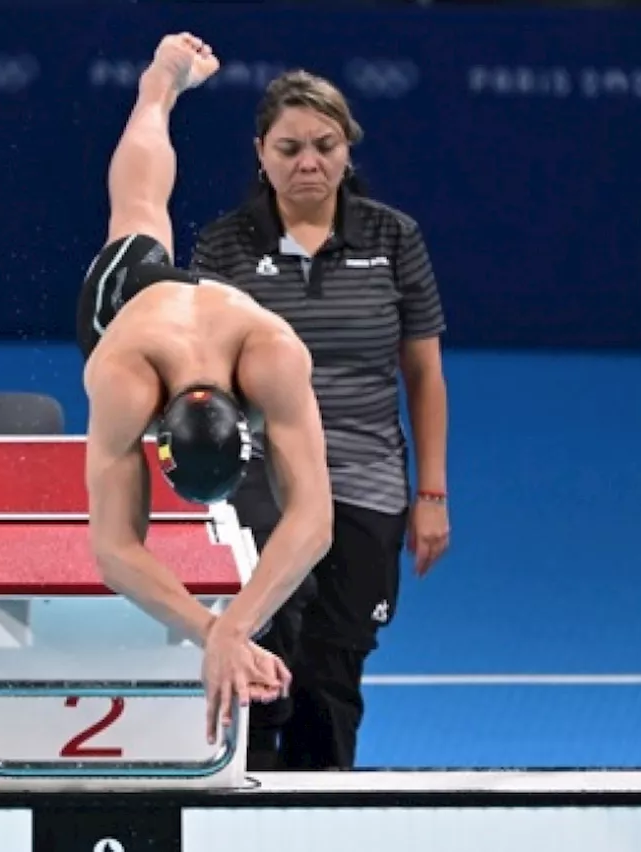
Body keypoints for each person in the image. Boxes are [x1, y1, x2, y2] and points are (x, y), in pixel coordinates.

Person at [190, 69, 452, 771]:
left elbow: (423, 374)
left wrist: (431, 494)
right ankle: (241, 811)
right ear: (260, 153)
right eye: (289, 147)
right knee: (259, 663)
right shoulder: (224, 247)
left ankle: (320, 815)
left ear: (348, 150)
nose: (308, 162)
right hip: (257, 493)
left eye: (324, 145)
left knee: (333, 674)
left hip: (365, 486)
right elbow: (200, 377)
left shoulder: (395, 239)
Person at [77, 34, 335, 746]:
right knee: (135, 214)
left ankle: (161, 87)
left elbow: (314, 522)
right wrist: (213, 630)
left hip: (214, 310)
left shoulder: (274, 351)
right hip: (128, 307)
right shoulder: (122, 378)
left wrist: (234, 627)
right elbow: (114, 548)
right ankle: (156, 85)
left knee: (143, 212)